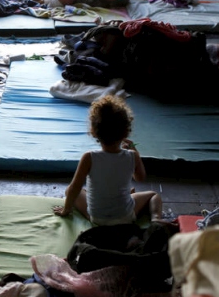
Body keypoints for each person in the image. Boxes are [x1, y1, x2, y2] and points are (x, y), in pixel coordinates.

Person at [52, 95, 162, 224]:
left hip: (97, 218)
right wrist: (133, 149)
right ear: (126, 132)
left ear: (93, 131)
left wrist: (66, 209)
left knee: (70, 190)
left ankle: (91, 216)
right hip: (126, 217)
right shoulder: (132, 155)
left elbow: (74, 188)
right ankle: (156, 219)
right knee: (154, 195)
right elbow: (140, 178)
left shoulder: (89, 157)